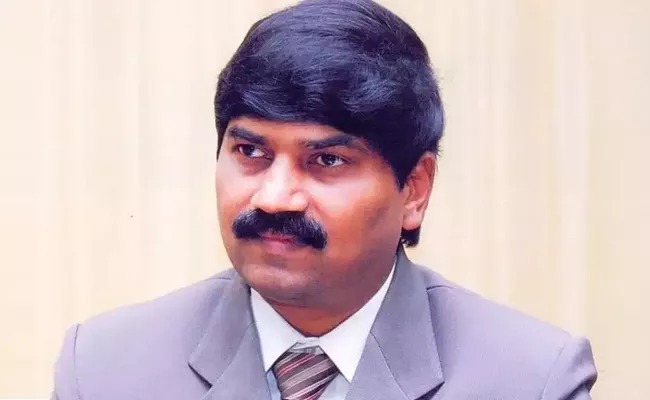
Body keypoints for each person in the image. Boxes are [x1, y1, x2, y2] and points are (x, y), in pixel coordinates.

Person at [51, 0, 597, 399]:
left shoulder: (531, 380)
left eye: (327, 160)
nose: (274, 198)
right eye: (250, 152)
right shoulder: (103, 371)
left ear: (414, 189)